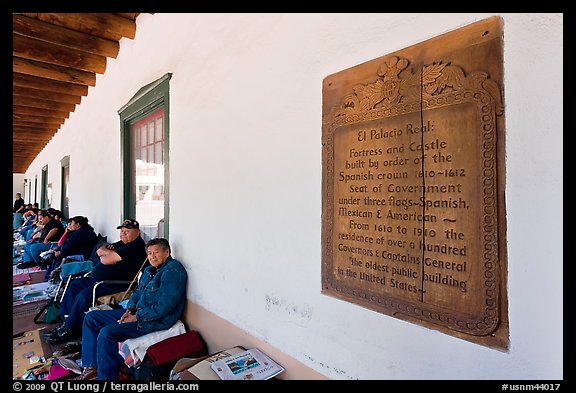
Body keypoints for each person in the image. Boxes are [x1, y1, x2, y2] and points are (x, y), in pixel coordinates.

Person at [73, 238, 187, 380]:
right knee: (92, 317)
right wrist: (130, 310)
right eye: (149, 253)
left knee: (107, 333)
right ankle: (92, 366)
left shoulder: (173, 271)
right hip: (138, 312)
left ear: (167, 252)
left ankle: (106, 378)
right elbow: (138, 292)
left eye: (156, 252)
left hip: (155, 320)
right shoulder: (149, 270)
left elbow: (163, 308)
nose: (152, 256)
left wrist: (137, 316)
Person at [44, 219, 147, 345]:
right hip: (98, 279)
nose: (123, 234)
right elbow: (100, 251)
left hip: (115, 284)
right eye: (122, 231)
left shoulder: (135, 247)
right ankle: (65, 322)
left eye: (127, 231)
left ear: (137, 233)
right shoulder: (122, 244)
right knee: (74, 286)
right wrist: (108, 253)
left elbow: (104, 260)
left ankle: (68, 330)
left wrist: (107, 255)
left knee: (83, 296)